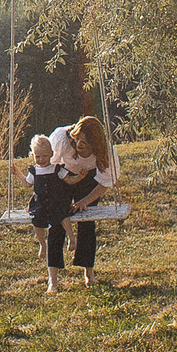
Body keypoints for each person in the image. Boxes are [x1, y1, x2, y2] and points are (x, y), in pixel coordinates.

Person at [53, 112, 120, 285]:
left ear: (95, 145)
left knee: (87, 220)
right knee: (58, 219)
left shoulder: (106, 151)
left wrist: (85, 201)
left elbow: (105, 181)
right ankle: (53, 278)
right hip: (63, 175)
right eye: (77, 140)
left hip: (89, 179)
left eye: (84, 143)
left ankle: (88, 273)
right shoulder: (63, 139)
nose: (78, 145)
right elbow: (48, 167)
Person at [19, 133, 85, 294]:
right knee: (37, 220)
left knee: (62, 214)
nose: (41, 159)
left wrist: (80, 177)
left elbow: (69, 180)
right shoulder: (34, 170)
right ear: (33, 156)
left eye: (44, 156)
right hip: (40, 202)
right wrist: (17, 173)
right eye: (37, 156)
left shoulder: (56, 168)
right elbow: (27, 184)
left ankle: (72, 239)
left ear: (51, 155)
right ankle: (42, 245)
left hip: (55, 200)